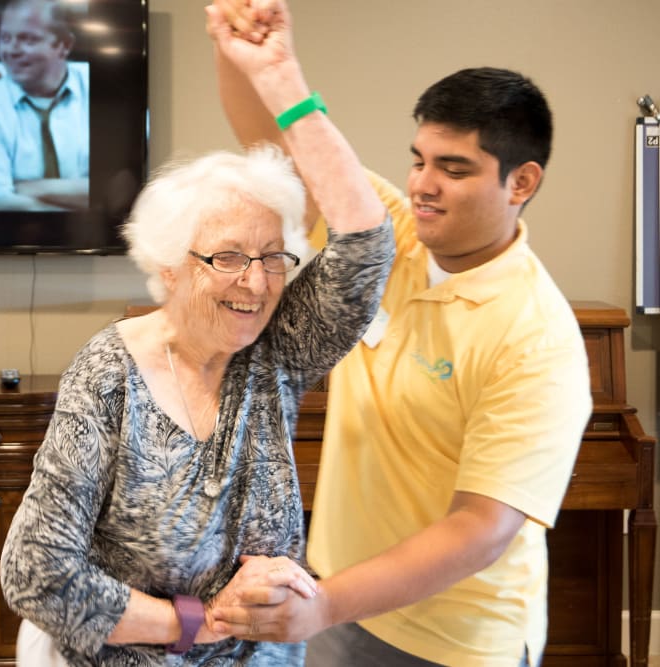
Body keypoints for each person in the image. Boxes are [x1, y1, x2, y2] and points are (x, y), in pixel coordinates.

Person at [204, 2, 594, 666]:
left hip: (457, 640)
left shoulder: (537, 337)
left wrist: (324, 604)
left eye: (455, 168)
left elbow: (480, 527)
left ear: (521, 181)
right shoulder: (386, 236)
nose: (422, 185)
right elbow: (277, 149)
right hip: (340, 599)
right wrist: (253, 59)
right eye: (418, 160)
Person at [0, 141, 393, 665]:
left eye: (272, 256)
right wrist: (198, 622)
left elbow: (367, 249)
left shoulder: (278, 349)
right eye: (227, 256)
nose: (255, 282)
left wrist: (284, 87)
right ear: (169, 267)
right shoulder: (109, 374)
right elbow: (35, 571)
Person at [0, 0, 90, 211]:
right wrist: (83, 216)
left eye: (27, 39)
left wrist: (33, 188)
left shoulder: (103, 88)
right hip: (10, 239)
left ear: (64, 46)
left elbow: (122, 190)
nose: (12, 50)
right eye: (5, 38)